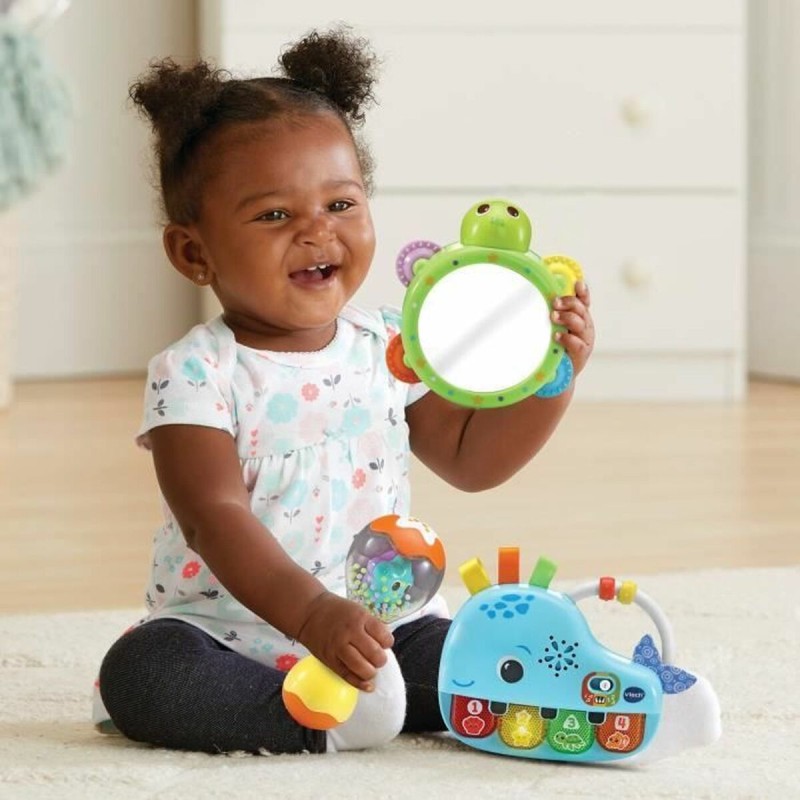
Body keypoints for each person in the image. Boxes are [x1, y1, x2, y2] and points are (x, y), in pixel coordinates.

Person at [94, 27, 595, 756]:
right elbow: (213, 518)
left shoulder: (388, 345)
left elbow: (471, 462)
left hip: (378, 634)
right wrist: (311, 615)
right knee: (141, 675)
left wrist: (553, 379)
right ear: (194, 252)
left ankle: (553, 696)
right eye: (274, 215)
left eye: (340, 204)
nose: (316, 232)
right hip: (228, 637)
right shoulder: (195, 373)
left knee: (482, 648)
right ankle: (305, 720)